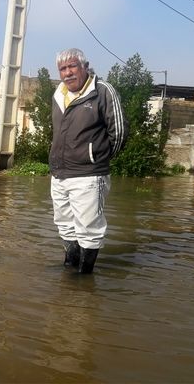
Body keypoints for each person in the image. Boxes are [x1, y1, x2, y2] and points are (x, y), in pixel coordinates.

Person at [49, 48, 129, 274]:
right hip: (59, 174)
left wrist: (97, 159)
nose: (68, 73)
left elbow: (120, 132)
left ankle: (84, 278)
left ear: (85, 66)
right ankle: (69, 268)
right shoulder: (58, 94)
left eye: (72, 66)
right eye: (62, 69)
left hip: (89, 175)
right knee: (65, 226)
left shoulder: (102, 91)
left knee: (89, 229)